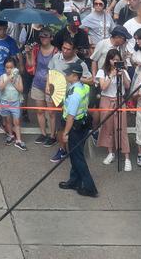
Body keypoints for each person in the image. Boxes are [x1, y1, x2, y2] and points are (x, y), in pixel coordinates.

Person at [57, 62, 97, 198]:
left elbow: (70, 116)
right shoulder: (84, 87)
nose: (66, 75)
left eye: (68, 73)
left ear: (75, 76)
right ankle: (74, 181)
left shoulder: (75, 94)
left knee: (78, 158)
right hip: (83, 124)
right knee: (75, 155)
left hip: (75, 127)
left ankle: (90, 187)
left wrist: (66, 133)